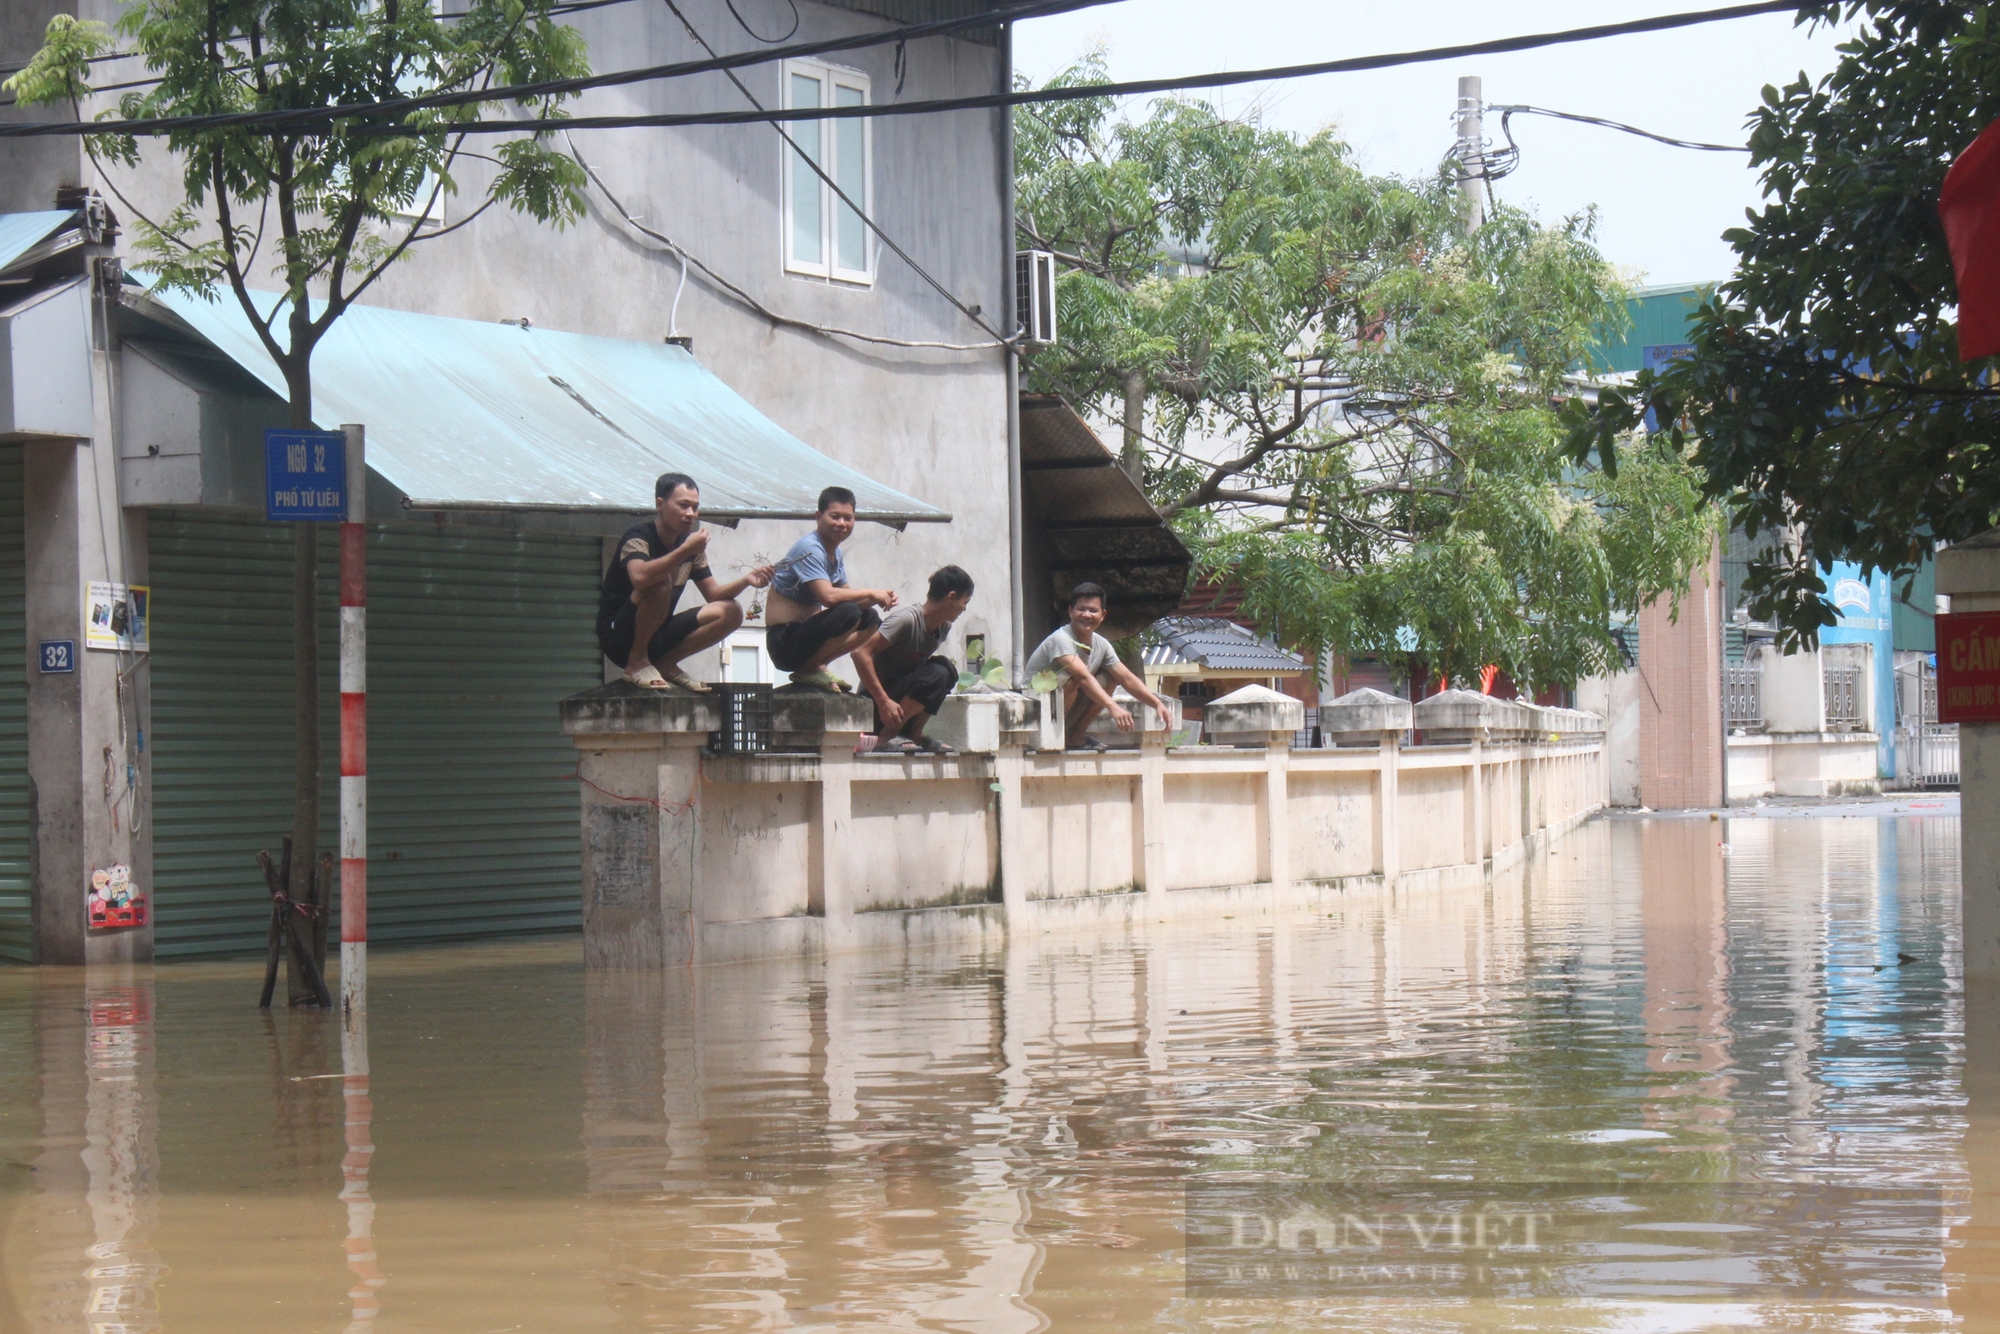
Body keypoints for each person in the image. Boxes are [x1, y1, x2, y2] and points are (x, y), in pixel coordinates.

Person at [598, 472, 774, 692]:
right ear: (660, 504)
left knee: (731, 611)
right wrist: (685, 550)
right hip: (619, 635)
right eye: (683, 505)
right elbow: (640, 577)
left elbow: (714, 595)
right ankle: (636, 662)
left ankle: (666, 663)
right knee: (661, 582)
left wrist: (746, 580)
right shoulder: (639, 536)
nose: (690, 514)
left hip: (658, 633)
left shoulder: (690, 547)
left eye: (695, 507)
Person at [765, 486, 898, 692]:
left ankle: (818, 665)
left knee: (870, 617)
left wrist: (879, 598)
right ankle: (807, 669)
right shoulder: (810, 547)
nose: (842, 524)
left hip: (807, 639)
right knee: (849, 612)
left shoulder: (835, 554)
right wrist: (871, 592)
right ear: (819, 517)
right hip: (784, 641)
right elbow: (828, 597)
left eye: (848, 518)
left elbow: (851, 599)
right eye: (835, 517)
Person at [1024, 582, 1171, 753]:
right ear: (1071, 611)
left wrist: (1157, 704)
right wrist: (1113, 708)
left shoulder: (1101, 644)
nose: (1087, 615)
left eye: (1093, 610)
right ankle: (1054, 735)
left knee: (1109, 678)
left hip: (1063, 710)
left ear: (1103, 615)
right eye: (1081, 609)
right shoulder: (1061, 639)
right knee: (1072, 679)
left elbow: (1127, 678)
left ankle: (1075, 736)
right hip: (1036, 712)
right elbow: (1082, 677)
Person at [851, 565, 975, 755]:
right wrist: (883, 701)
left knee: (946, 669)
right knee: (938, 673)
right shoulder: (906, 620)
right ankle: (886, 737)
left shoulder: (943, 627)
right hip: (878, 706)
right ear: (951, 597)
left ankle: (914, 733)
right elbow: (860, 653)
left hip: (901, 704)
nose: (964, 609)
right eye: (965, 601)